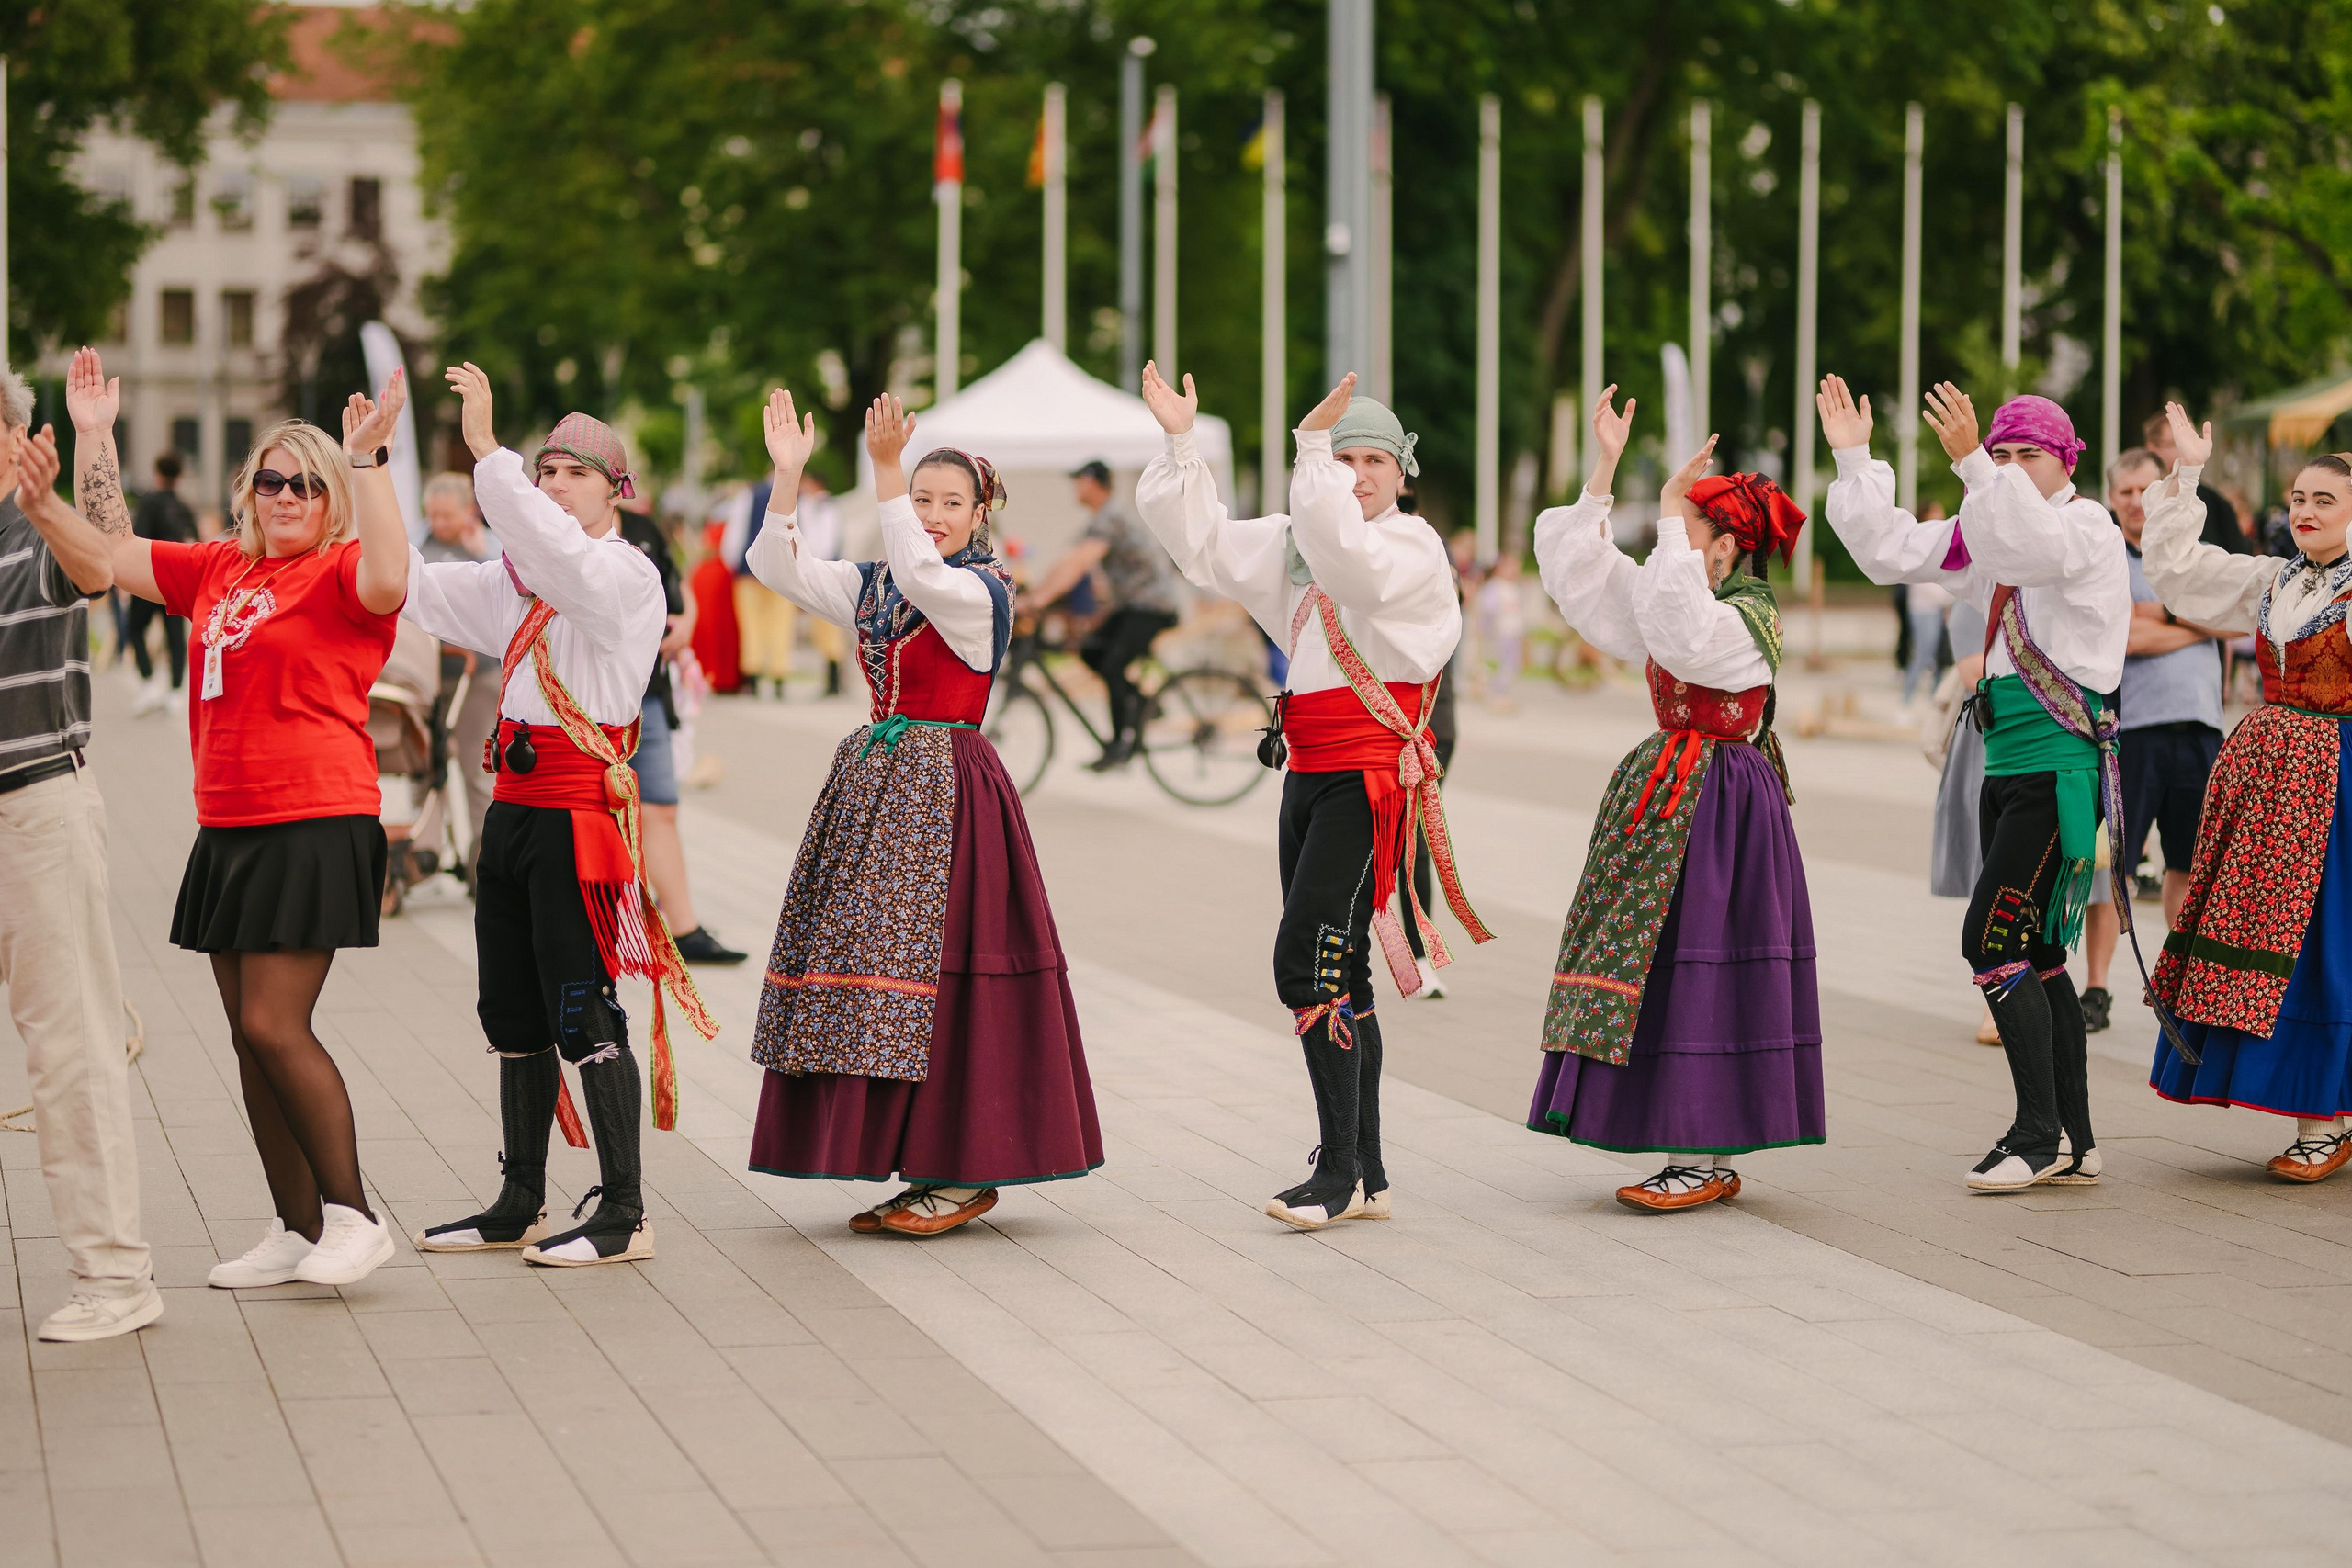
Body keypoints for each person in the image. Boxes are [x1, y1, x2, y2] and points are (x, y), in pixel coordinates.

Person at [60, 345, 409, 1286]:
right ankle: (296, 1227)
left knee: (272, 1025)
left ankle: (354, 1216)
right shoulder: (220, 568)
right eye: (269, 481)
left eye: (304, 484)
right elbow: (105, 554)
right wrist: (95, 441)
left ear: (329, 498)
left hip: (316, 816)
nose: (285, 496)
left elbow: (390, 575)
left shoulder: (341, 576)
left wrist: (370, 463)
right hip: (231, 826)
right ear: (247, 493)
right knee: (247, 1036)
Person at [1136, 364, 1490, 1230]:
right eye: (1344, 458)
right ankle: (1366, 1171)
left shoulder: (1409, 548)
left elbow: (1353, 569)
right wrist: (1183, 441)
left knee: (1306, 960)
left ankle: (1336, 1173)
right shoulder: (1307, 543)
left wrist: (1308, 450)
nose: (1355, 475)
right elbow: (1204, 545)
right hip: (1306, 773)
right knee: (1342, 968)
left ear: (1403, 473)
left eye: (1371, 460)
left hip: (1368, 779)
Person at [744, 390, 1101, 1236]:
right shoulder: (877, 583)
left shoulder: (980, 589)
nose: (931, 514)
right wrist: (787, 482)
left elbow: (919, 574)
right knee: (880, 984)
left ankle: (962, 1170)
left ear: (982, 516)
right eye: (923, 500)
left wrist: (885, 474)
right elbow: (774, 568)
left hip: (949, 794)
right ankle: (918, 1164)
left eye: (949, 502)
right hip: (878, 792)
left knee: (944, 975)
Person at [401, 369, 716, 1265]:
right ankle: (520, 1198)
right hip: (513, 812)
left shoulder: (623, 572)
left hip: (579, 816)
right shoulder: (521, 581)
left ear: (616, 490)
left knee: (582, 1007)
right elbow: (417, 590)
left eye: (572, 471)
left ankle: (624, 1212)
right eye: (542, 471)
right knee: (510, 1009)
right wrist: (362, 471)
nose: (550, 485)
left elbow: (559, 559)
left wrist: (487, 451)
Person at [1822, 376, 2130, 1192]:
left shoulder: (2086, 525)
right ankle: (2076, 1138)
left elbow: (2031, 547)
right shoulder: (1989, 529)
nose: (2013, 465)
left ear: (2065, 459)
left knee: (1987, 940)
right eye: (2004, 452)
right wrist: (1855, 458)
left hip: (2058, 766)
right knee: (2034, 949)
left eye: (2031, 452)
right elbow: (1890, 549)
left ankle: (2037, 1135)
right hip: (2003, 765)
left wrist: (1972, 466)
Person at [1529, 389, 1823, 1210]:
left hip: (1724, 803)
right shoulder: (1677, 594)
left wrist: (1667, 518)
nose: (1669, 547)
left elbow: (1685, 631)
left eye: (1687, 534)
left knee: (1704, 965)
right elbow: (1585, 580)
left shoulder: (1747, 617)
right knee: (1656, 964)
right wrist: (1606, 470)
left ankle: (1702, 1153)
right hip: (1669, 794)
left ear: (1726, 547)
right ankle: (1687, 1143)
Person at [2142, 409, 2352, 1181]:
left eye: (2325, 500)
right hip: (2269, 787)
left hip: (2338, 784)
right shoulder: (2274, 580)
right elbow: (2177, 571)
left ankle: (2324, 1123)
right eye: (2298, 497)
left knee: (2327, 944)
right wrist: (2188, 471)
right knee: (2283, 952)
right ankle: (2320, 1116)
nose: (2304, 510)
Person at [0, 368, 160, 1341]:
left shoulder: (33, 526)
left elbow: (102, 569)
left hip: (34, 809)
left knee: (70, 1052)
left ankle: (115, 1277)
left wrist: (49, 499)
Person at [2081, 447, 2226, 1034]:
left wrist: (2158, 614)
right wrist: (2189, 624)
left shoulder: (2191, 558)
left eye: (2148, 490)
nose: (2138, 503)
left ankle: (2180, 985)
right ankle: (2095, 989)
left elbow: (2234, 622)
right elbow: (2118, 640)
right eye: (2126, 493)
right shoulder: (2103, 559)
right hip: (2130, 732)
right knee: (2112, 866)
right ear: (2111, 498)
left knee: (2190, 865)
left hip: (2200, 729)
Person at [616, 492, 745, 964]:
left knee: (662, 809)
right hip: (589, 703)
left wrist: (687, 621)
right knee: (601, 816)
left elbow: (678, 588)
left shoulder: (642, 528)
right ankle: (614, 926)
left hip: (649, 694)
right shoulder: (560, 534)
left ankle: (683, 929)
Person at [1022, 459, 1184, 770]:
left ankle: (1120, 745)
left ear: (1093, 483)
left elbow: (1080, 562)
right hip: (1131, 606)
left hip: (1152, 606)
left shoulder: (1112, 517)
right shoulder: (1101, 519)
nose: (1075, 488)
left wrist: (1040, 599)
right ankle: (1143, 703)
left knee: (1112, 664)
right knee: (1090, 652)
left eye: (1078, 481)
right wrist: (1037, 592)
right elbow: (1069, 559)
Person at [420, 471, 500, 886]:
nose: (438, 522)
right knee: (422, 763)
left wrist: (481, 553)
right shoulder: (418, 542)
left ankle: (482, 864)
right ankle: (422, 852)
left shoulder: (492, 544)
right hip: (428, 677)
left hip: (479, 675)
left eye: (446, 515)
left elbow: (511, 596)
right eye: (432, 514)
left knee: (476, 772)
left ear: (467, 511)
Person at [126, 451, 197, 716]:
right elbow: (197, 542)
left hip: (148, 574)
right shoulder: (184, 506)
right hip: (175, 580)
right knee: (176, 637)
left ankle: (148, 682)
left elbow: (139, 536)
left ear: (157, 474)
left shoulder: (149, 502)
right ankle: (176, 692)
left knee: (135, 629)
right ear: (179, 477)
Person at [2144, 408, 2252, 556]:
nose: (2186, 448)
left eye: (2191, 440)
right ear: (2152, 449)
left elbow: (2238, 558)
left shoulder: (2216, 505)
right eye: (2175, 442)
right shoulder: (2138, 500)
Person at [797, 469, 849, 696]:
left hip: (824, 569)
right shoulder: (811, 506)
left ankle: (835, 678)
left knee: (829, 627)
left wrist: (813, 568)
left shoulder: (825, 507)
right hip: (819, 568)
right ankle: (832, 678)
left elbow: (825, 542)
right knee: (823, 627)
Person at [1476, 552, 1526, 708]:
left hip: (1513, 632)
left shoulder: (1514, 587)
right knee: (1501, 663)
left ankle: (1504, 694)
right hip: (1500, 631)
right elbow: (1487, 609)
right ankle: (1497, 695)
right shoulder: (1495, 587)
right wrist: (1485, 629)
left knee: (1511, 664)